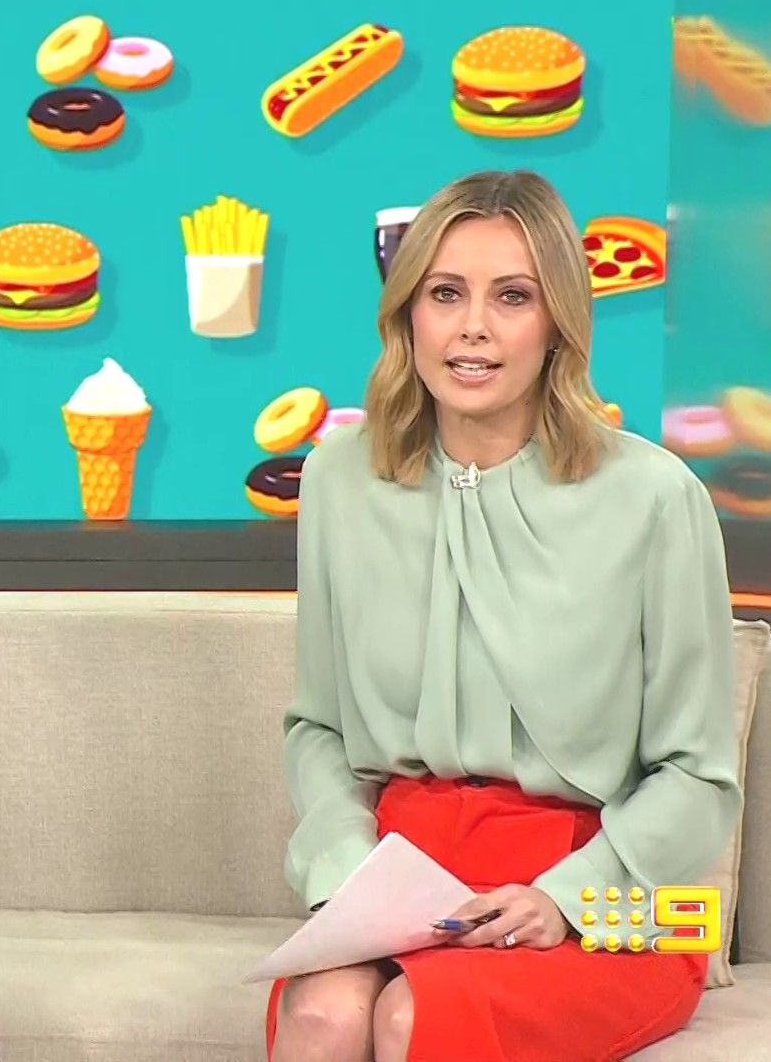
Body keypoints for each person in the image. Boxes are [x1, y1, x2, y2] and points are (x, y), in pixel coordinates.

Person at [265, 170, 743, 1062]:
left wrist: (566, 895)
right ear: (408, 313)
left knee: (414, 1019)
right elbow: (318, 728)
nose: (472, 327)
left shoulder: (655, 498)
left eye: (512, 297)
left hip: (601, 885)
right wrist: (344, 869)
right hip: (398, 870)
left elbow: (698, 776)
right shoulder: (339, 479)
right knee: (325, 1017)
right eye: (445, 293)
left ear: (558, 320)